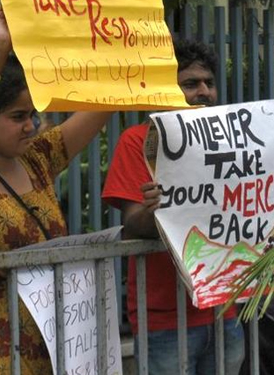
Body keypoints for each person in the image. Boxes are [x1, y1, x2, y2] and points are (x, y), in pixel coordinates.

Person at [0, 0, 111, 375]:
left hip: (49, 347)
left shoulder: (38, 159)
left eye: (34, 115)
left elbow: (106, 100)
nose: (31, 126)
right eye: (18, 117)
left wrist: (132, 17)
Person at [102, 39, 245, 374]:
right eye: (190, 83)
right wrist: (157, 210)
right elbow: (133, 223)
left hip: (223, 310)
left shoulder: (231, 142)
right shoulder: (138, 141)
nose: (204, 92)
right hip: (164, 320)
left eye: (209, 83)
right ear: (166, 89)